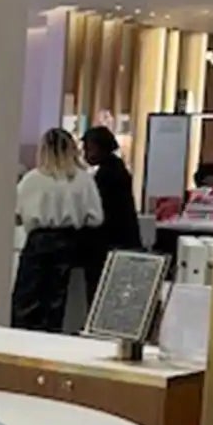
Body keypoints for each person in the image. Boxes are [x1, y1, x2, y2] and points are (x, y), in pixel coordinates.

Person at [11, 128, 103, 332]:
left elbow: (15, 215)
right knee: (58, 303)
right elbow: (96, 218)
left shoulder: (31, 179)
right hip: (70, 244)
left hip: (37, 243)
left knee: (27, 302)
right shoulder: (83, 180)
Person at [81, 126, 139, 305]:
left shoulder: (108, 174)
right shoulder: (115, 169)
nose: (85, 154)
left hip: (110, 242)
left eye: (88, 149)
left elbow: (101, 211)